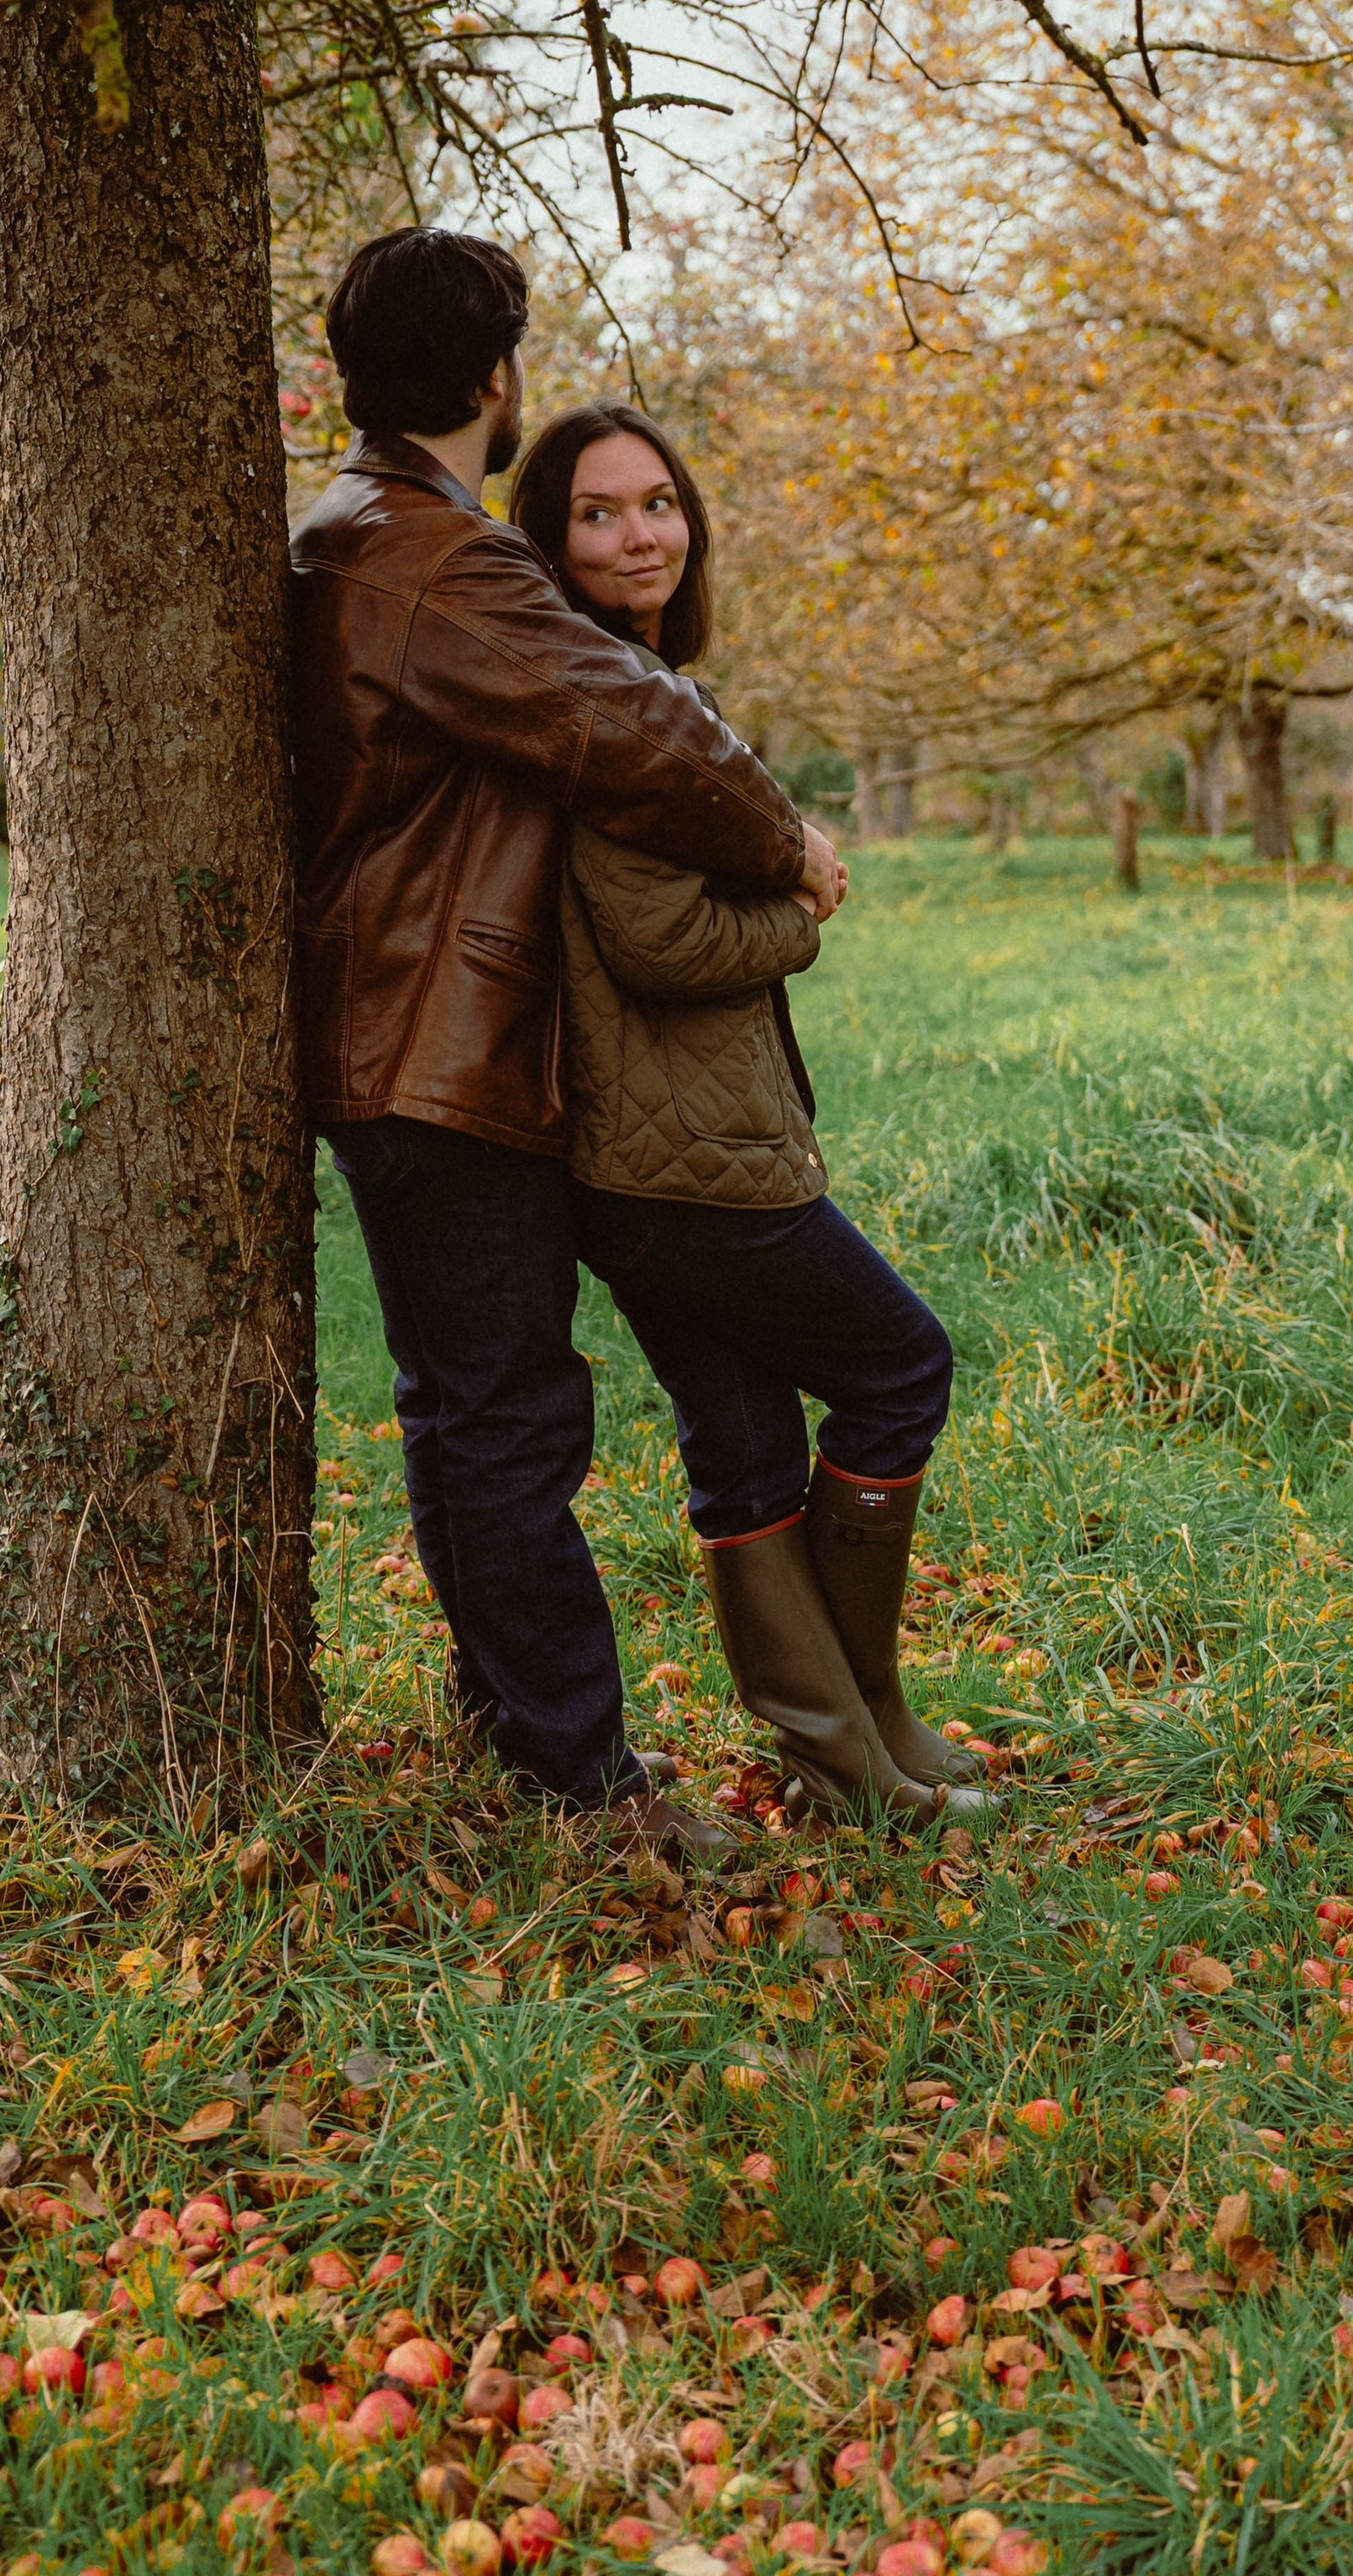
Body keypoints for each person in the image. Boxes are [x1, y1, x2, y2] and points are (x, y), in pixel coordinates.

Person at [288, 229, 845, 1859]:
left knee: (468, 1408)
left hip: (394, 1032)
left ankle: (506, 1720)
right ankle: (578, 1783)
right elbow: (628, 721)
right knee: (510, 1412)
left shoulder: (350, 527)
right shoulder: (429, 555)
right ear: (493, 378)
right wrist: (783, 845)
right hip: (437, 1036)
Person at [509, 401, 991, 1828]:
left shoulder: (635, 679)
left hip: (647, 1151)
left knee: (741, 1436)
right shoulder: (614, 700)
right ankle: (866, 1717)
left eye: (658, 502)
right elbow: (661, 943)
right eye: (598, 512)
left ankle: (846, 1760)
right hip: (684, 1157)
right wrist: (800, 910)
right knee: (900, 1365)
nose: (639, 532)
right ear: (550, 536)